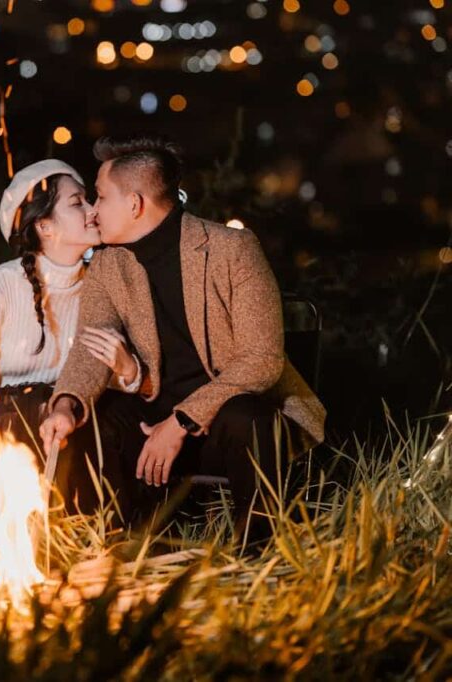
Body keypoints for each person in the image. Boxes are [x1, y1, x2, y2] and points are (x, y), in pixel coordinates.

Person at [38, 134, 326, 548]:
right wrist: (66, 404)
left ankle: (260, 553)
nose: (93, 212)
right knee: (93, 420)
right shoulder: (108, 262)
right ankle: (120, 547)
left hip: (222, 426)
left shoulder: (231, 249)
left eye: (100, 197)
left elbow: (263, 360)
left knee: (250, 418)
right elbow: (90, 347)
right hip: (149, 422)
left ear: (135, 204)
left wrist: (181, 422)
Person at [0, 159, 135, 513]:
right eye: (78, 202)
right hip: (12, 420)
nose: (94, 210)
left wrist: (127, 371)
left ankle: (108, 542)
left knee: (107, 420)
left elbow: (107, 377)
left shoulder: (103, 283)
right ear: (45, 226)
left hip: (79, 412)